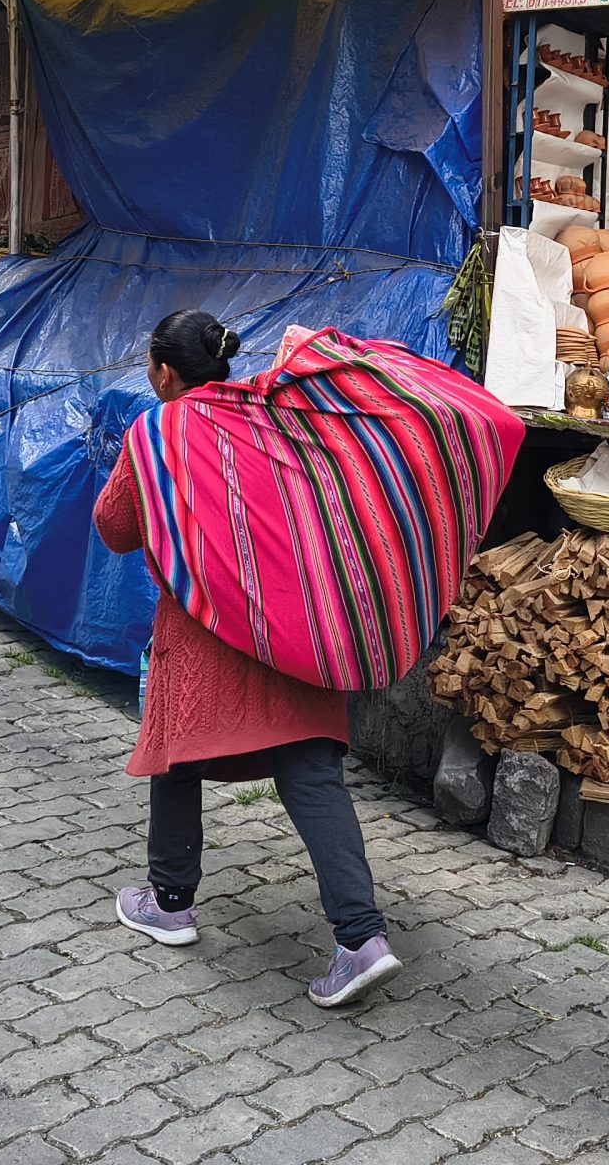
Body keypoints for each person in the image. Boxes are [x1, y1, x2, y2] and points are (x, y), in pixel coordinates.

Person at [92, 310, 400, 1009]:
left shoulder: (156, 433)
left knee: (176, 751)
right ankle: (362, 937)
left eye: (149, 365)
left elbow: (113, 527)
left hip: (206, 627)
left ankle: (170, 903)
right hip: (297, 623)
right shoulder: (274, 418)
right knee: (311, 768)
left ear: (164, 373)